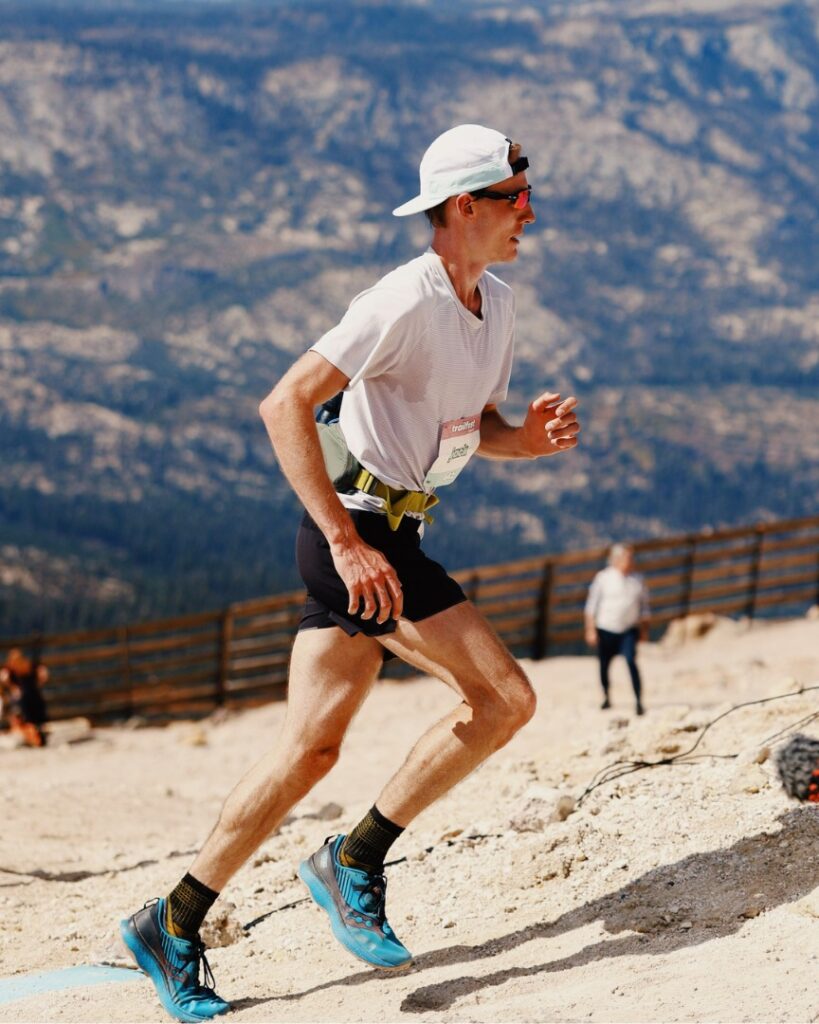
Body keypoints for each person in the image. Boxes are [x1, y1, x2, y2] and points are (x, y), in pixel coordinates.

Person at [120, 123, 581, 1022]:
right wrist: (343, 541)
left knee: (309, 752)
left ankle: (168, 923)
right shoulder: (400, 299)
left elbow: (466, 423)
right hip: (360, 540)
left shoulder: (498, 305)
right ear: (463, 206)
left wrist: (520, 440)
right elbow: (283, 402)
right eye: (514, 198)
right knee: (503, 700)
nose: (530, 212)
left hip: (388, 538)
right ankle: (356, 859)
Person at [584, 543, 650, 715]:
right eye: (627, 557)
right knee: (604, 665)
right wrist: (590, 630)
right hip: (605, 628)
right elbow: (591, 606)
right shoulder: (603, 578)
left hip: (628, 629)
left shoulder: (638, 579)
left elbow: (644, 607)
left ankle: (638, 701)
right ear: (616, 559)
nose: (630, 561)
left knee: (631, 662)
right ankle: (606, 697)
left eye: (631, 557)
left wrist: (644, 629)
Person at [0, 648, 49, 748]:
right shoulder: (9, 670)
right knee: (23, 719)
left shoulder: (29, 667)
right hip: (21, 701)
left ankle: (36, 736)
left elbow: (42, 675)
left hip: (31, 699)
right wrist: (13, 688)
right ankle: (33, 737)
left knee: (33, 720)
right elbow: (4, 680)